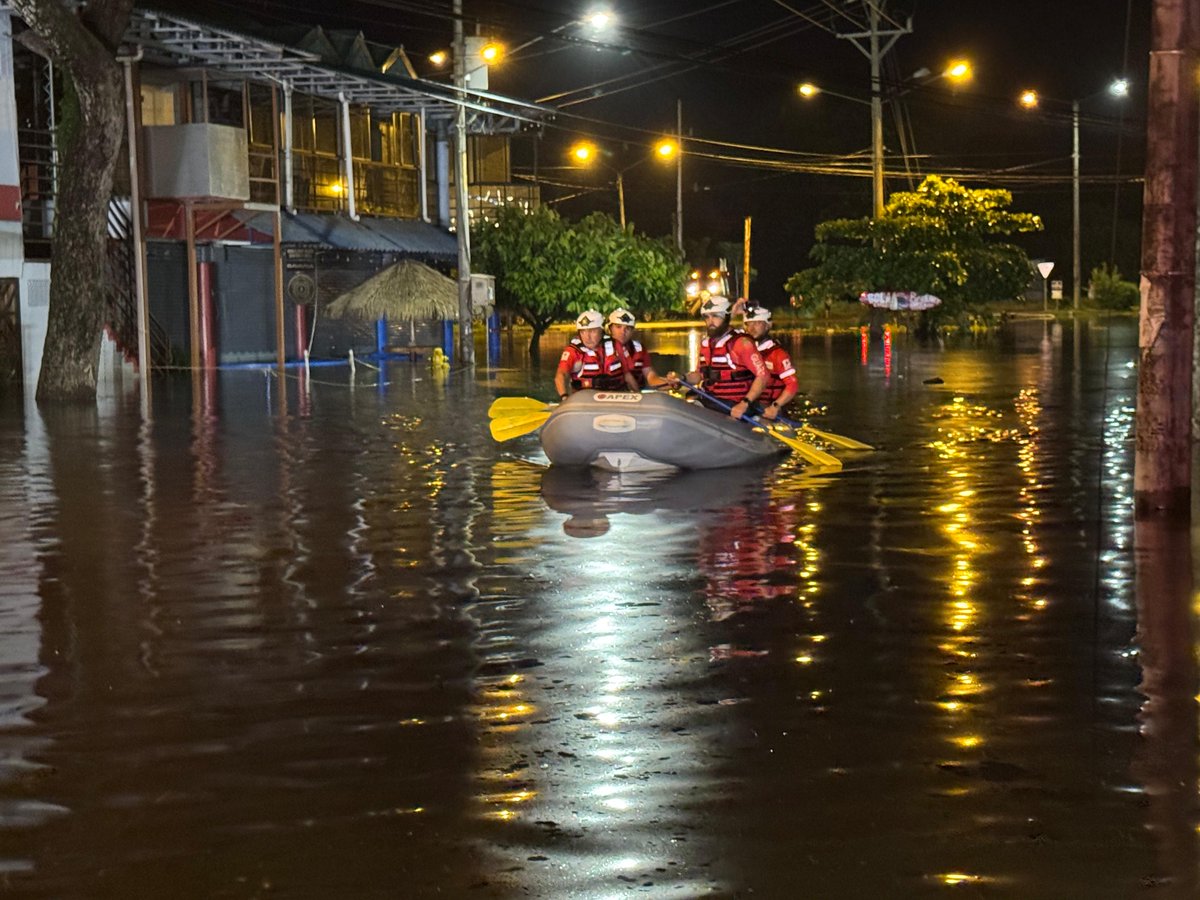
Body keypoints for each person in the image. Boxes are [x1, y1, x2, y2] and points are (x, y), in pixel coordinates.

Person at [667, 295, 768, 420]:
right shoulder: (706, 344)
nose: (710, 321)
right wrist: (682, 378)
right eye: (707, 317)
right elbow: (700, 375)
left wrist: (744, 403)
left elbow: (763, 375)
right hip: (711, 400)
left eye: (715, 316)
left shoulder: (742, 343)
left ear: (726, 317)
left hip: (734, 404)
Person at [554, 309, 636, 400]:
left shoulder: (616, 345)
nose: (587, 337)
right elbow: (560, 375)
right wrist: (564, 396)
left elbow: (627, 375)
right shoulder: (573, 351)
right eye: (583, 332)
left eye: (592, 331)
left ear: (602, 331)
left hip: (616, 398)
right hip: (586, 401)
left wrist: (638, 395)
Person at [741, 305, 798, 421]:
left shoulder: (778, 354)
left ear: (768, 325)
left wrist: (775, 406)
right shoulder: (742, 351)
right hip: (745, 404)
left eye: (757, 323)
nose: (752, 328)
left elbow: (792, 384)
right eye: (749, 324)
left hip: (767, 406)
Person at [606, 308, 667, 389]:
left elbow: (651, 377)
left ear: (632, 331)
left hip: (635, 397)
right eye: (618, 327)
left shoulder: (639, 349)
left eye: (627, 328)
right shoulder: (600, 349)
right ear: (610, 329)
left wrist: (669, 382)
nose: (623, 332)